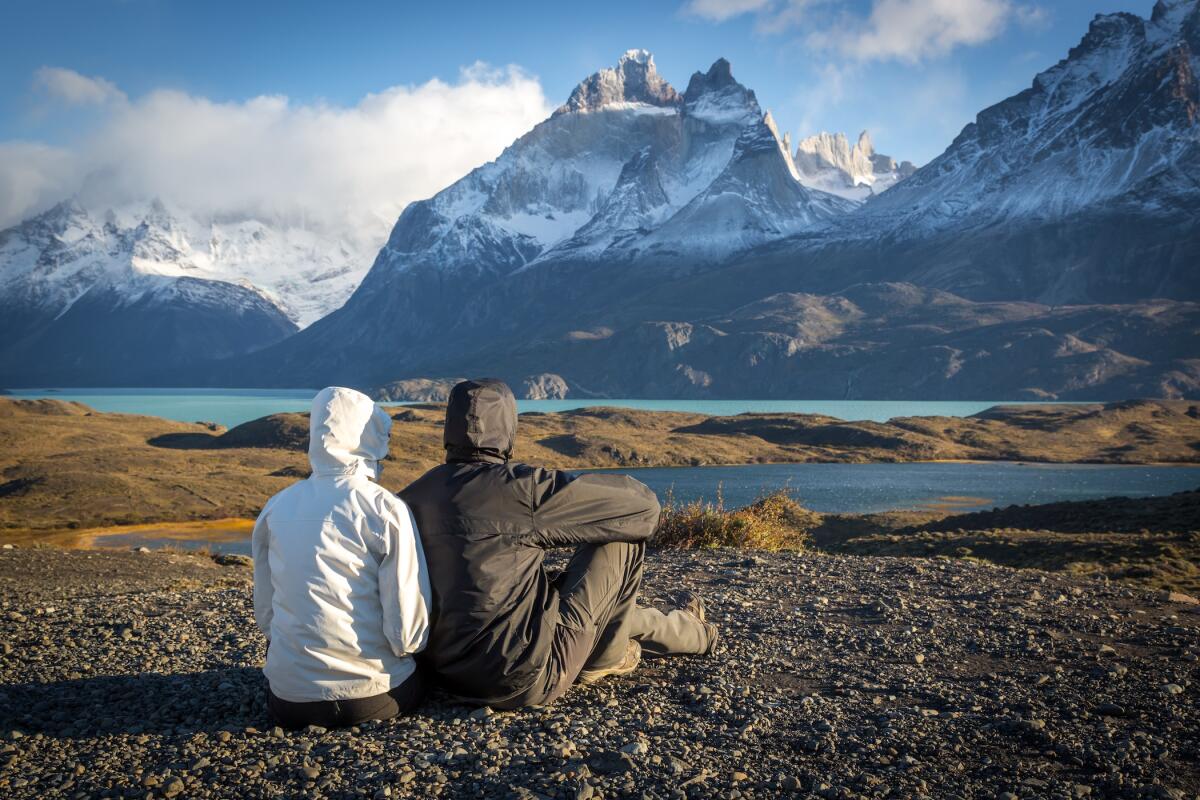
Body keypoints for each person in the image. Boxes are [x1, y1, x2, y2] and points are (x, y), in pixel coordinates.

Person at [400, 378, 717, 709]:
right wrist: (580, 502)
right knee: (622, 534)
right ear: (507, 427)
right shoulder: (522, 489)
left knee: (576, 601)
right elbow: (644, 508)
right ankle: (614, 657)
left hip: (443, 676)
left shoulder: (411, 496)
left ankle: (687, 631)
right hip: (525, 679)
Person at [252, 386, 431, 728]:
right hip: (373, 695)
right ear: (368, 437)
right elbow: (406, 630)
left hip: (290, 700)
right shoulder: (384, 507)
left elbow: (266, 612)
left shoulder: (276, 506)